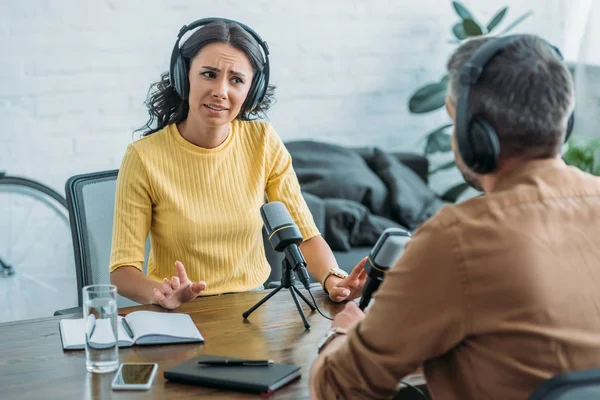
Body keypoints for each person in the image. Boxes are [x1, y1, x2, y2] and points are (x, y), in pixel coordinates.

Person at [310, 34, 600, 400]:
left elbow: (338, 388)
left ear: (473, 134)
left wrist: (345, 334)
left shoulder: (457, 237)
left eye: (452, 120)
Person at [109, 18, 366, 310]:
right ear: (184, 76)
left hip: (253, 309)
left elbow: (305, 234)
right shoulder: (143, 156)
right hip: (179, 314)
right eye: (209, 74)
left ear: (250, 92)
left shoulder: (263, 141)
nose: (221, 90)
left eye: (236, 80)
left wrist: (334, 280)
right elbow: (122, 272)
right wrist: (163, 294)